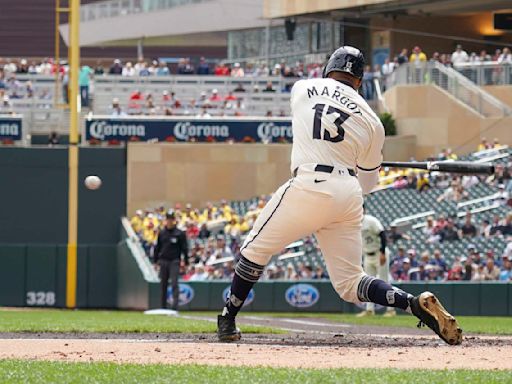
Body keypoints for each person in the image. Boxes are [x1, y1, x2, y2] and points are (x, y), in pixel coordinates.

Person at [216, 45, 462, 346]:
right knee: (350, 282)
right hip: (347, 193)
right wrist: (366, 162)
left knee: (253, 250)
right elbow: (368, 184)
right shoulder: (373, 122)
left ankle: (227, 320)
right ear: (359, 80)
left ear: (328, 68)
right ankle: (412, 303)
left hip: (309, 183)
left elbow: (319, 122)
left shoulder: (303, 88)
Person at [357, 205, 396, 317]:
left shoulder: (371, 220)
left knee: (384, 282)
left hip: (379, 253)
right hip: (368, 255)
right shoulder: (355, 223)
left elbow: (382, 235)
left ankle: (390, 310)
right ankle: (369, 310)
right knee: (368, 282)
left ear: (364, 209)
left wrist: (383, 253)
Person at [153, 211, 189, 310]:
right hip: (163, 261)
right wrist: (155, 261)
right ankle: (163, 306)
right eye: (168, 219)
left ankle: (174, 307)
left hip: (174, 261)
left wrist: (186, 262)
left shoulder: (179, 233)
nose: (169, 221)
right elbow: (157, 247)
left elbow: (184, 248)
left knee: (174, 283)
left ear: (174, 220)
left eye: (171, 219)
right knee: (163, 284)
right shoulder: (162, 233)